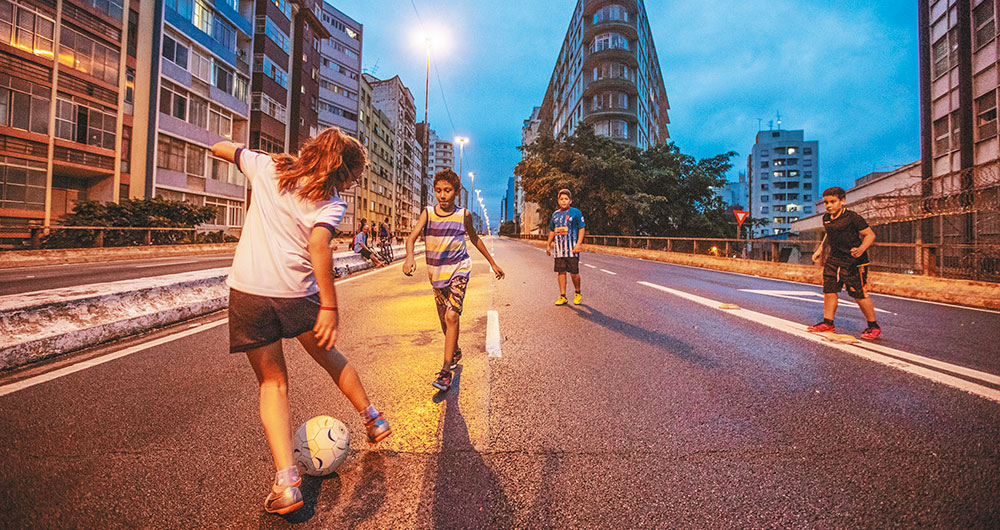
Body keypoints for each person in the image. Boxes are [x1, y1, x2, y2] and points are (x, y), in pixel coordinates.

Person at [212, 128, 391, 516]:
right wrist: (329, 305)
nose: (352, 185)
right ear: (342, 172)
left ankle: (287, 485)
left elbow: (220, 147)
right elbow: (318, 246)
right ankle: (373, 419)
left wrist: (254, 154)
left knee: (273, 383)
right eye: (354, 177)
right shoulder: (331, 202)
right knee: (330, 358)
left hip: (249, 292)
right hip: (297, 294)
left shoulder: (268, 168)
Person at [402, 169, 505, 392]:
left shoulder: (463, 215)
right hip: (436, 276)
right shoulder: (428, 213)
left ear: (456, 192)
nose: (442, 195)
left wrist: (492, 263)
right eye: (438, 190)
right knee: (445, 323)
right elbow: (411, 238)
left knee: (452, 316)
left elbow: (475, 239)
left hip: (459, 270)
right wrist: (409, 258)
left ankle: (445, 372)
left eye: (447, 190)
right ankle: (455, 350)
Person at [807, 186, 882, 340]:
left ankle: (873, 326)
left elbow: (869, 235)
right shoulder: (826, 218)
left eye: (832, 201)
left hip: (854, 261)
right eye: (826, 202)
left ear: (842, 201)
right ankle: (828, 323)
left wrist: (861, 249)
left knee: (859, 294)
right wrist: (820, 249)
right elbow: (829, 234)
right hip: (834, 259)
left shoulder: (853, 217)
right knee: (829, 290)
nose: (828, 205)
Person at [546, 188, 586, 305]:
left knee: (574, 273)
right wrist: (548, 245)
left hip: (572, 249)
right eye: (561, 199)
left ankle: (577, 292)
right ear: (558, 201)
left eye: (566, 199)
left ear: (570, 201)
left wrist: (579, 244)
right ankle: (562, 296)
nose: (564, 201)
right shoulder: (555, 214)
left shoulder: (575, 212)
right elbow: (552, 230)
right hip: (559, 250)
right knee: (561, 272)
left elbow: (582, 228)